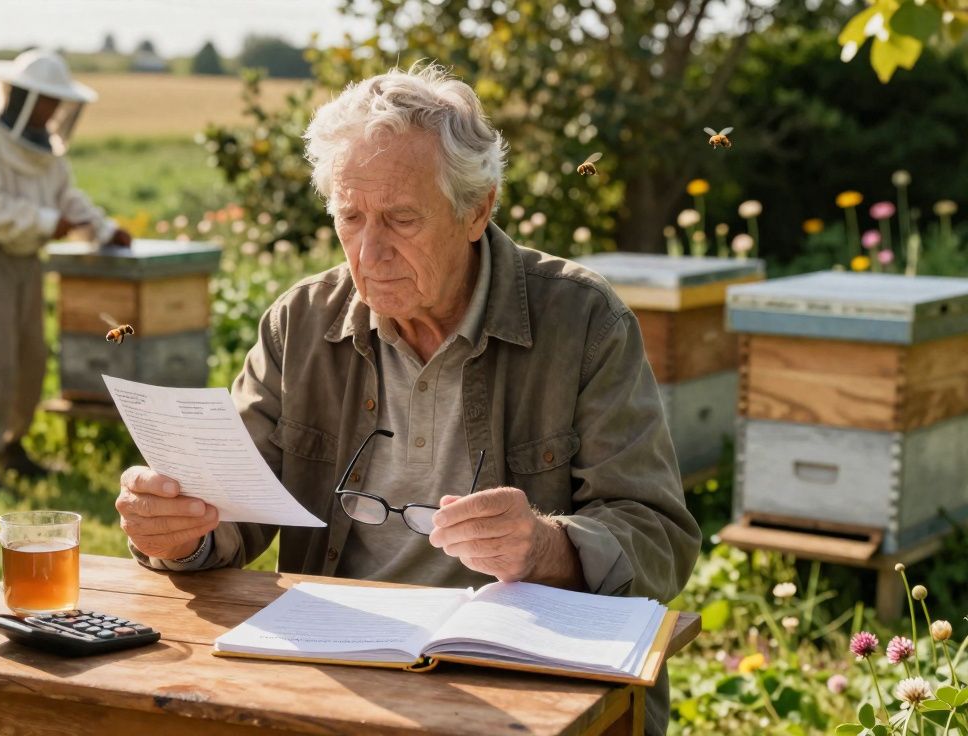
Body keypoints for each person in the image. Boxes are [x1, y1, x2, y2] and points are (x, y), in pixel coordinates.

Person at [115, 64, 699, 735]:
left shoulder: (584, 320)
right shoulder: (299, 322)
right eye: (350, 216)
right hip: (340, 666)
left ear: (477, 209)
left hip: (522, 680)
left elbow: (660, 536)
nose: (370, 250)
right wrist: (179, 530)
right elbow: (231, 512)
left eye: (400, 219)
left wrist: (545, 547)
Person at [0, 49, 132, 495]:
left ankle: (11, 447)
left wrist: (104, 229)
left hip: (25, 259)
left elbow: (66, 197)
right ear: (24, 96)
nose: (55, 112)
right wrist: (47, 223)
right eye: (48, 102)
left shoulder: (43, 142)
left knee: (29, 360)